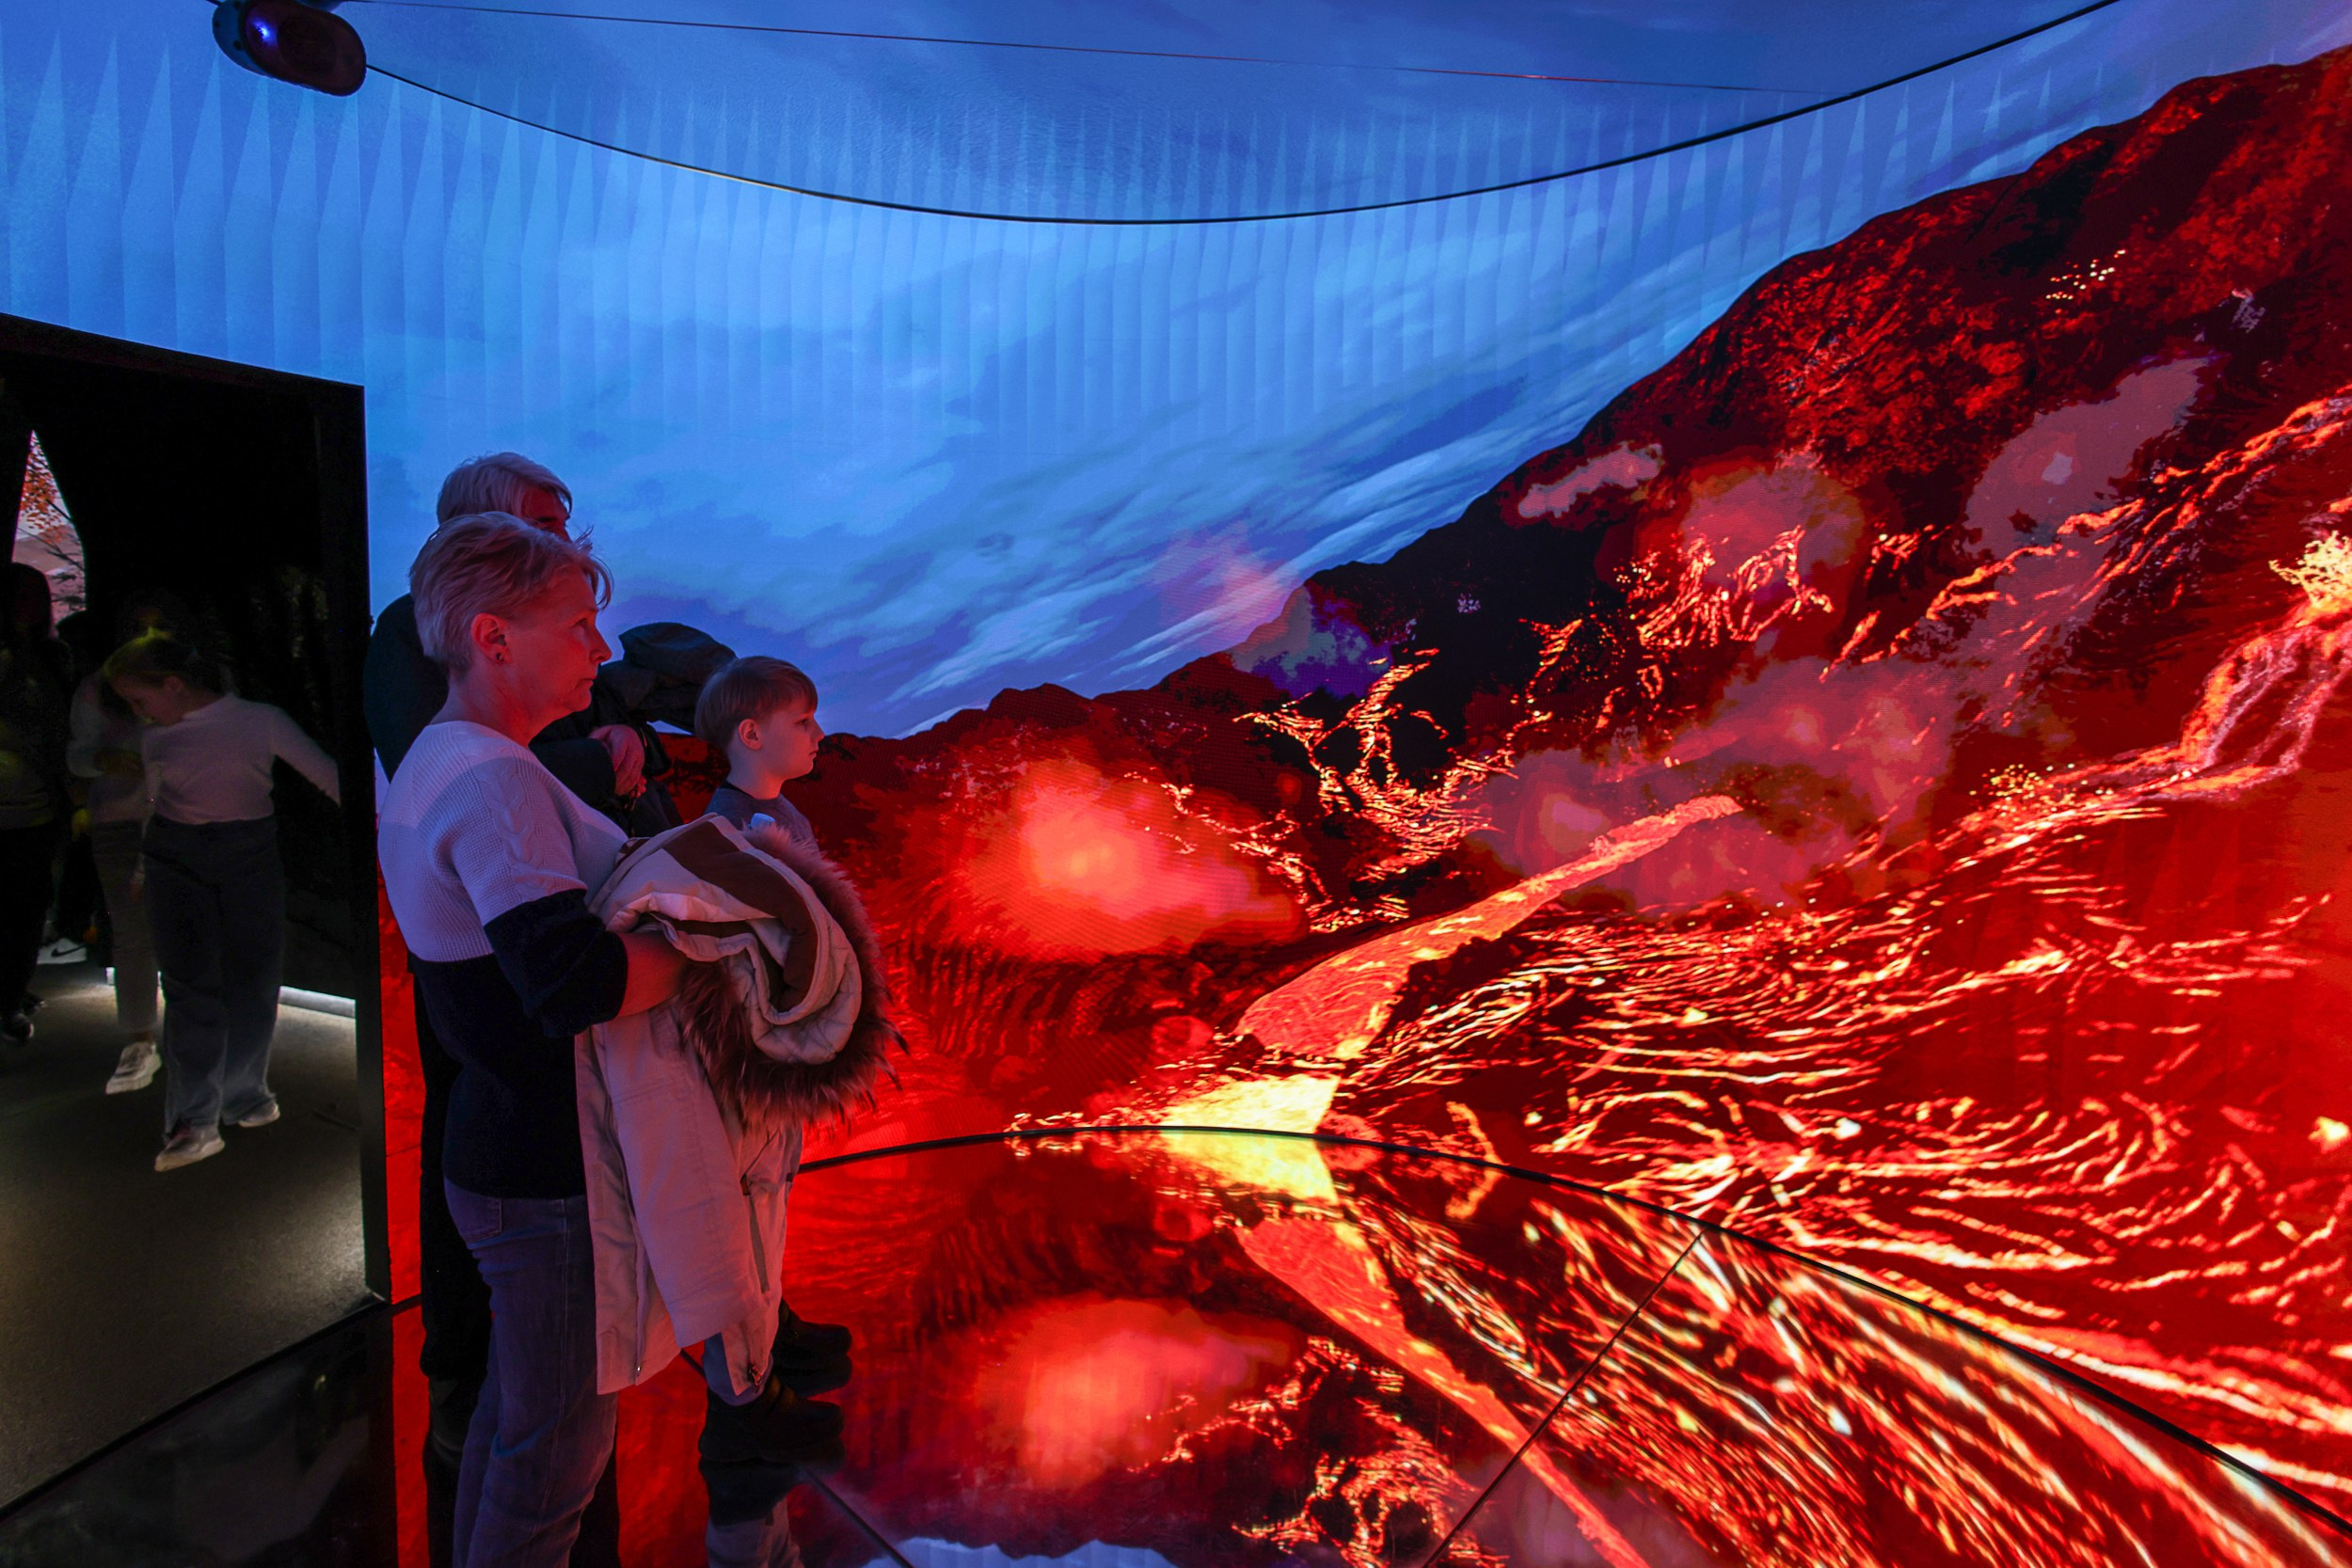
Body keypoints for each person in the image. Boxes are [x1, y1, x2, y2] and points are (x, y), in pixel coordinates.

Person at [377, 514, 684, 1568]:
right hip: (545, 1177)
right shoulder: (494, 777)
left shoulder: (434, 758)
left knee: (516, 1442)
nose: (601, 649)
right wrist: (713, 945)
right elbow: (574, 982)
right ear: (492, 634)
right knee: (552, 1467)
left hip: (499, 1150)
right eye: (581, 624)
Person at [104, 633, 340, 1172]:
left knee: (254, 981)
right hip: (174, 858)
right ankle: (195, 1119)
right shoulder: (155, 739)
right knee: (189, 989)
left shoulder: (262, 720)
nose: (138, 713)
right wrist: (144, 866)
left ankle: (243, 1095)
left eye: (140, 701)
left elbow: (329, 778)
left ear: (173, 684)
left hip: (248, 855)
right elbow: (154, 804)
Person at [69, 592, 185, 1093]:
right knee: (134, 931)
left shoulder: (190, 688)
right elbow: (74, 758)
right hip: (120, 817)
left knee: (189, 926)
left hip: (184, 818)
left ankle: (193, 1036)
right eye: (140, 629)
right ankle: (140, 1039)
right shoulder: (99, 690)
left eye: (158, 629)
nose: (149, 639)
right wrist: (104, 761)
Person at [0, 562, 74, 1044]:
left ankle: (8, 998)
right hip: (30, 804)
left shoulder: (50, 658)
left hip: (35, 809)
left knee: (26, 909)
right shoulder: (41, 660)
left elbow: (56, 731)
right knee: (22, 909)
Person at [695, 657, 825, 850]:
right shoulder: (730, 830)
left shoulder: (784, 811)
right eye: (803, 721)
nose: (820, 734)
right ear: (752, 734)